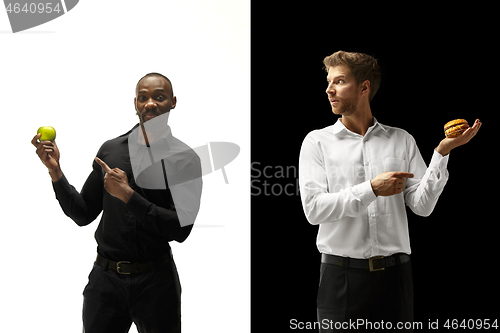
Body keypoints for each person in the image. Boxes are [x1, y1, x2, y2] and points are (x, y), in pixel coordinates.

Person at [298, 51, 481, 332]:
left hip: (395, 279)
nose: (329, 89)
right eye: (328, 81)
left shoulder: (402, 139)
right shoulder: (316, 142)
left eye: (339, 81)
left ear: (364, 87)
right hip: (340, 278)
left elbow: (422, 206)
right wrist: (371, 188)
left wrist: (441, 153)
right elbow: (314, 210)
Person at [31, 72, 202, 333]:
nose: (150, 104)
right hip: (105, 283)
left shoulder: (185, 159)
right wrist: (55, 171)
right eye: (143, 98)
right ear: (135, 104)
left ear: (173, 102)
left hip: (157, 283)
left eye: (159, 97)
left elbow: (180, 230)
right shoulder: (111, 150)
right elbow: (83, 213)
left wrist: (129, 196)